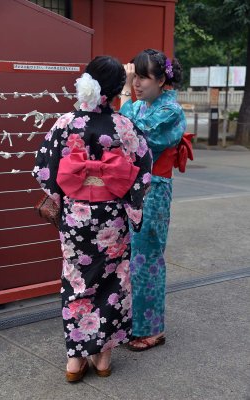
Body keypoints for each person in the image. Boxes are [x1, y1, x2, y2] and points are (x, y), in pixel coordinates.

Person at [33, 56, 152, 381]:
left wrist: (66, 192)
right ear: (116, 90)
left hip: (76, 218)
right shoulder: (124, 126)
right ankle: (103, 359)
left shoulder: (66, 122)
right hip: (111, 219)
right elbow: (142, 169)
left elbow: (45, 169)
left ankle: (75, 360)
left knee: (77, 282)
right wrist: (131, 205)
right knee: (113, 282)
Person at [119, 48, 188, 351]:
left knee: (147, 257)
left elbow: (131, 134)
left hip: (154, 188)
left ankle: (152, 328)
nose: (137, 83)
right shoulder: (142, 105)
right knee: (130, 256)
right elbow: (124, 126)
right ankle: (131, 322)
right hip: (133, 186)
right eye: (136, 75)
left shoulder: (169, 109)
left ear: (162, 80)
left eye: (145, 77)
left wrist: (123, 101)